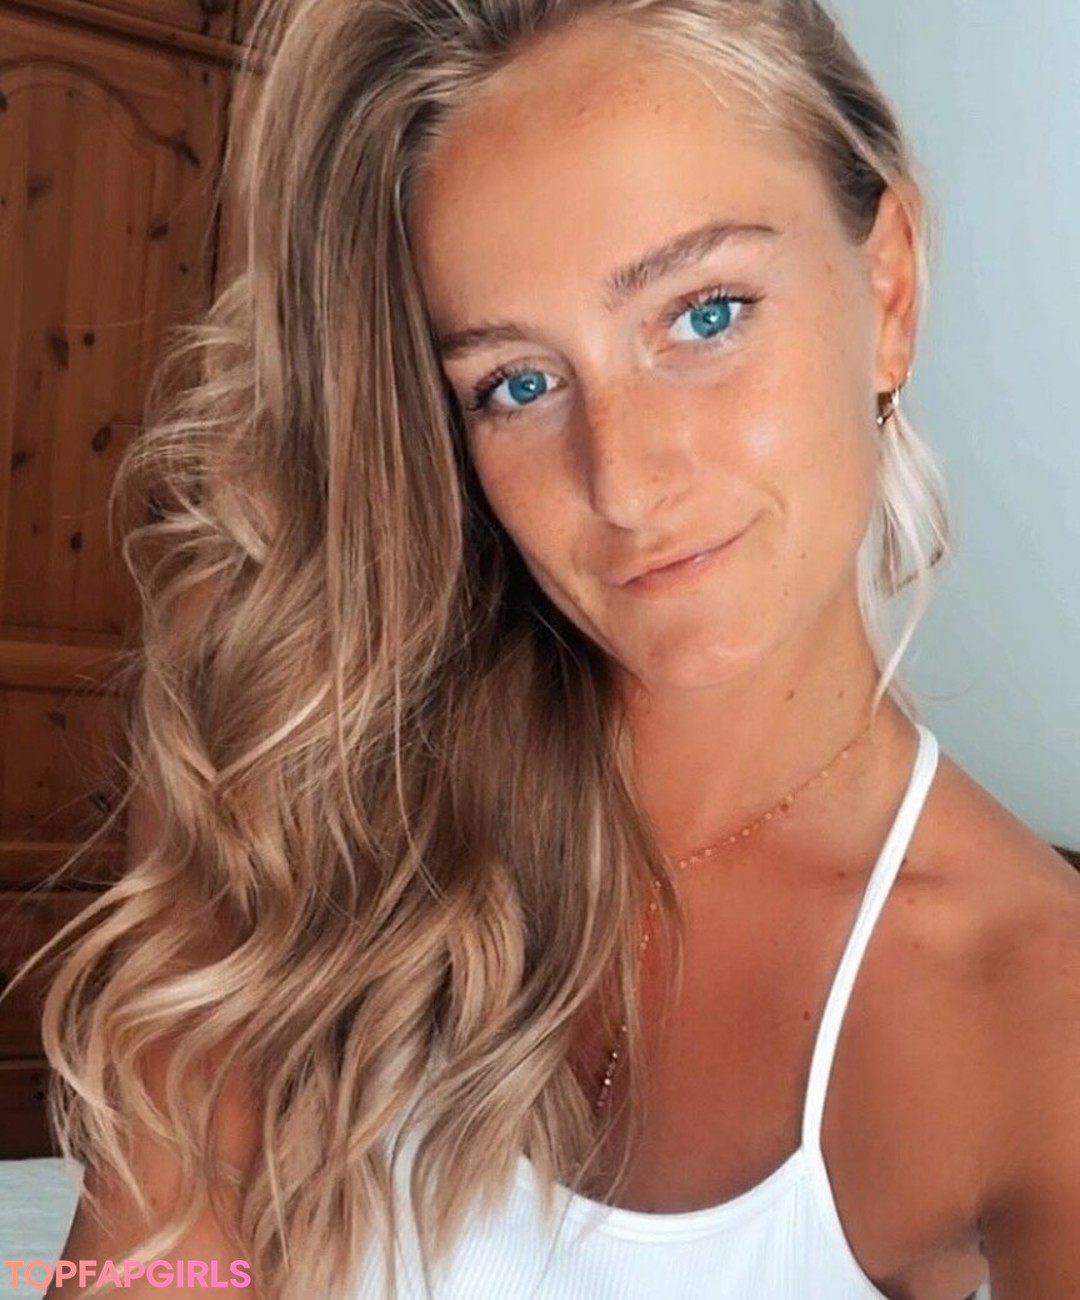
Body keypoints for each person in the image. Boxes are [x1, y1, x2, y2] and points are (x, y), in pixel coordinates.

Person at [41, 0, 1080, 1296]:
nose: (625, 484)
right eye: (517, 385)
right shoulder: (310, 766)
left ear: (890, 288)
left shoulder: (1029, 1005)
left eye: (705, 315)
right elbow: (151, 1268)